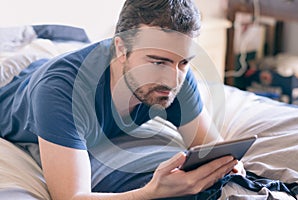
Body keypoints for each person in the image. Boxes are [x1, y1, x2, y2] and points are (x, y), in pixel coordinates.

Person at [0, 0, 244, 199]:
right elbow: (72, 197)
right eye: (158, 62)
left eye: (184, 62)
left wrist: (230, 167)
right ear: (121, 48)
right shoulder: (60, 91)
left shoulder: (177, 72)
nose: (171, 80)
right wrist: (150, 192)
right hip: (14, 86)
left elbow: (210, 147)